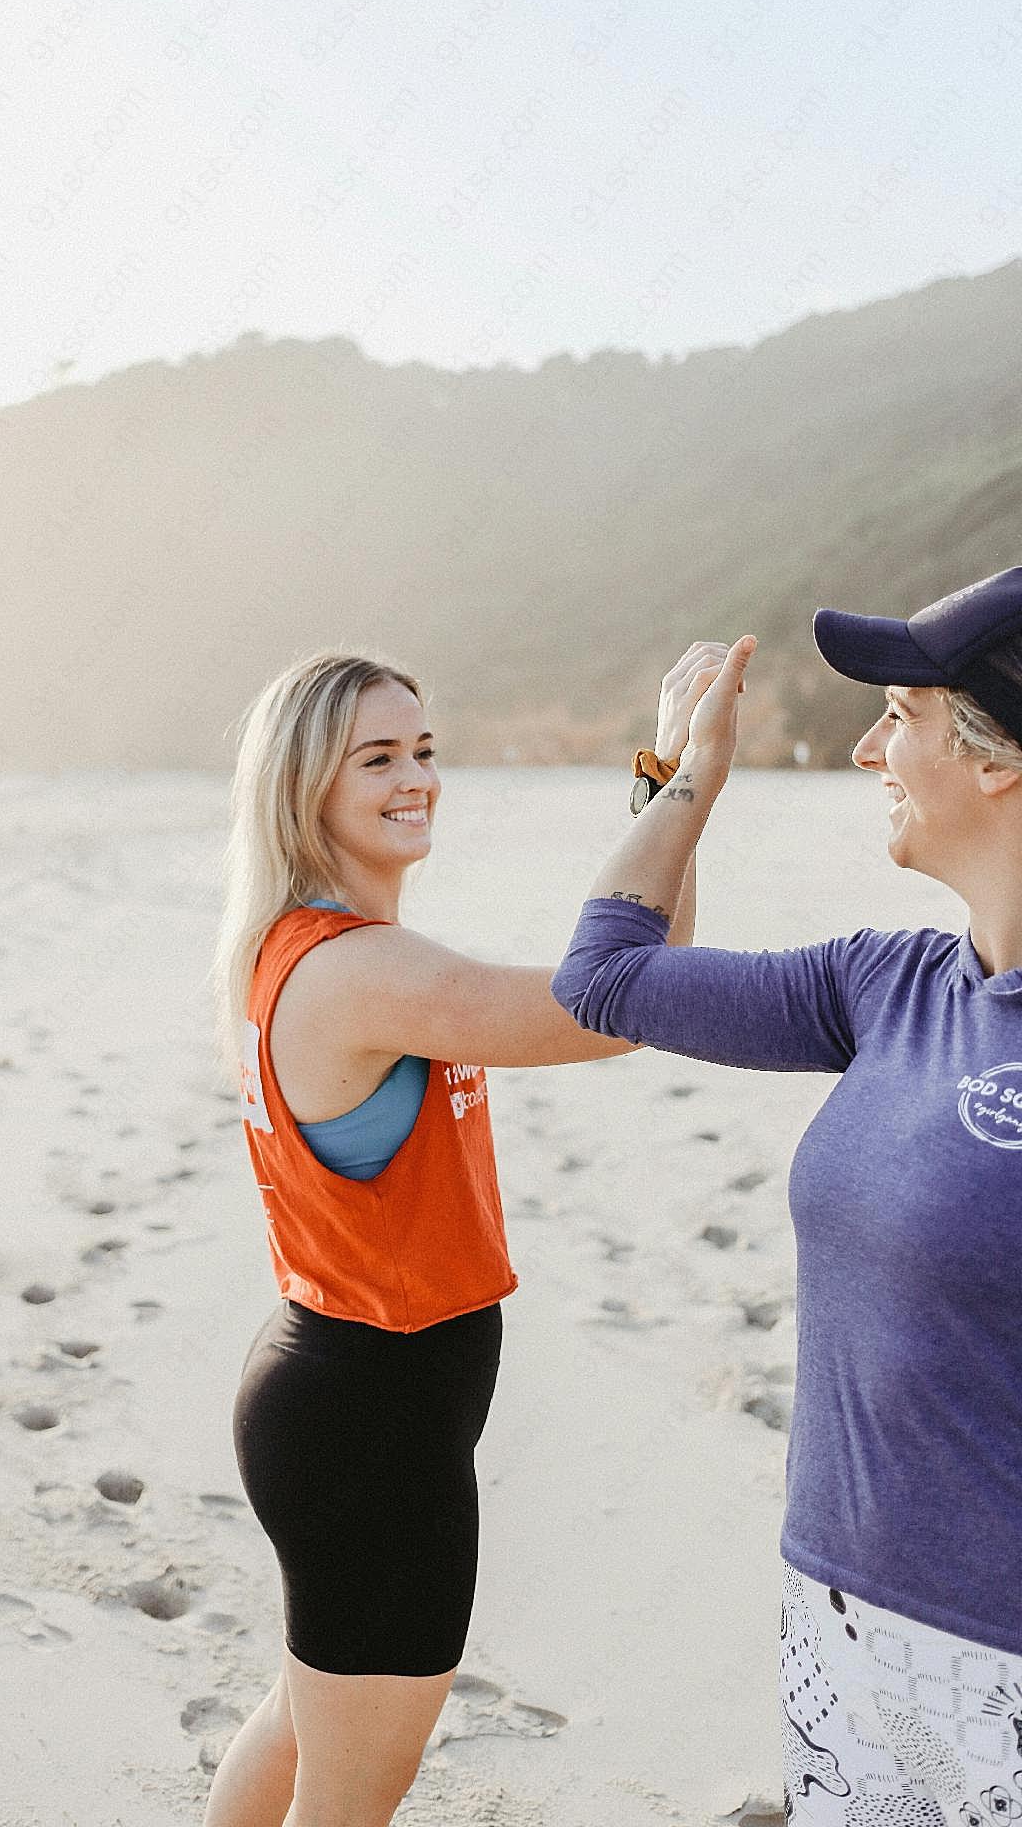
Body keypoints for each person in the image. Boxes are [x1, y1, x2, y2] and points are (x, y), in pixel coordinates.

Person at [204, 642, 726, 1827]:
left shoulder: (308, 947)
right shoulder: (359, 972)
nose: (415, 777)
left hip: (341, 1398)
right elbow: (613, 1008)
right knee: (343, 1802)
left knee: (304, 1720)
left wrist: (664, 789)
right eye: (376, 757)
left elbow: (640, 977)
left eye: (423, 750)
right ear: (304, 789)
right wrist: (685, 782)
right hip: (369, 1427)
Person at [549, 567, 1022, 1825]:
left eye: (902, 714)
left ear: (998, 761)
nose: (866, 743)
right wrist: (676, 773)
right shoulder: (887, 985)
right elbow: (605, 978)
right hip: (841, 1614)